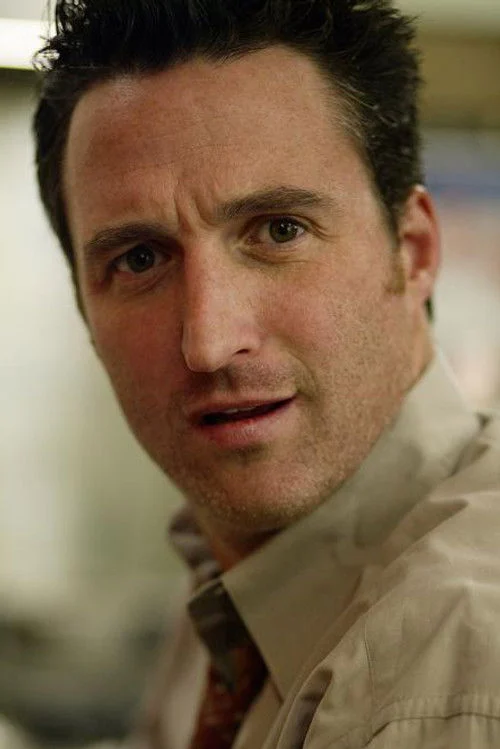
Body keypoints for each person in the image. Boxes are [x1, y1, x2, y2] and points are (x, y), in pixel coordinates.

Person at [32, 1, 500, 747]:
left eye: (280, 231)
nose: (209, 342)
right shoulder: (246, 565)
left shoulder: (449, 675)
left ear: (412, 252)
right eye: (140, 259)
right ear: (87, 311)